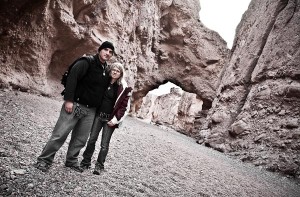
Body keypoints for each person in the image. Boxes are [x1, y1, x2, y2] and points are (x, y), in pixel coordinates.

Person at [34, 41, 115, 173]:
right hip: (75, 104)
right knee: (60, 134)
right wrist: (69, 100)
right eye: (105, 50)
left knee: (80, 139)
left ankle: (71, 161)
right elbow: (72, 78)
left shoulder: (106, 69)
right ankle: (44, 160)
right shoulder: (86, 62)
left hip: (90, 111)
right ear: (99, 50)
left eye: (111, 52)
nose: (108, 53)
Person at [79, 62, 132, 175]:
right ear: (110, 70)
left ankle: (99, 166)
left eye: (118, 71)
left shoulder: (122, 88)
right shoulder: (104, 82)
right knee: (92, 140)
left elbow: (124, 107)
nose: (115, 72)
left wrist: (115, 120)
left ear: (121, 73)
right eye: (113, 69)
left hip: (110, 120)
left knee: (104, 145)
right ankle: (85, 162)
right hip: (98, 116)